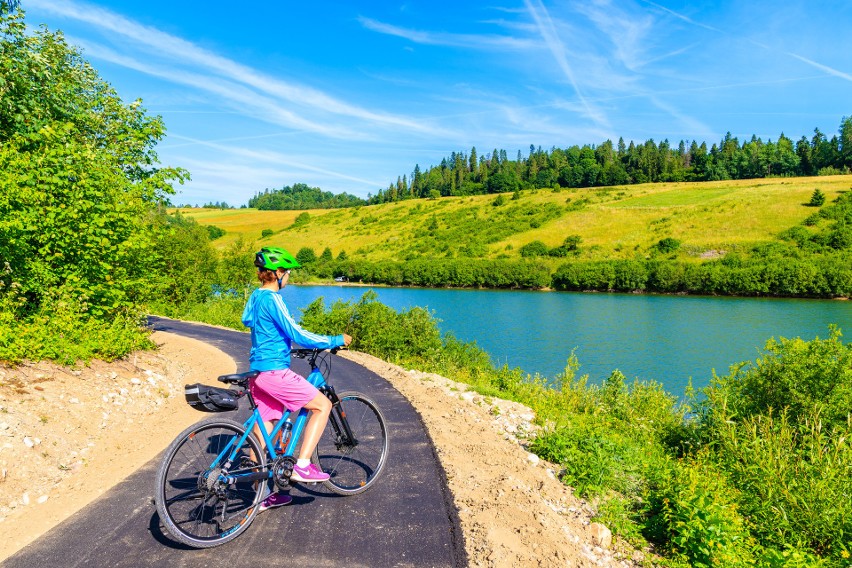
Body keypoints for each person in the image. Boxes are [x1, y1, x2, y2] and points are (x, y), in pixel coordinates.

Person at [241, 246, 352, 511]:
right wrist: (333, 339)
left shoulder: (256, 297)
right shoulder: (273, 299)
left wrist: (275, 338)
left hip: (257, 372)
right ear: (278, 273)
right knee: (322, 405)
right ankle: (302, 465)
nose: (288, 278)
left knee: (267, 426)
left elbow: (247, 320)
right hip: (275, 371)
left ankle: (263, 494)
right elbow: (296, 332)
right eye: (287, 273)